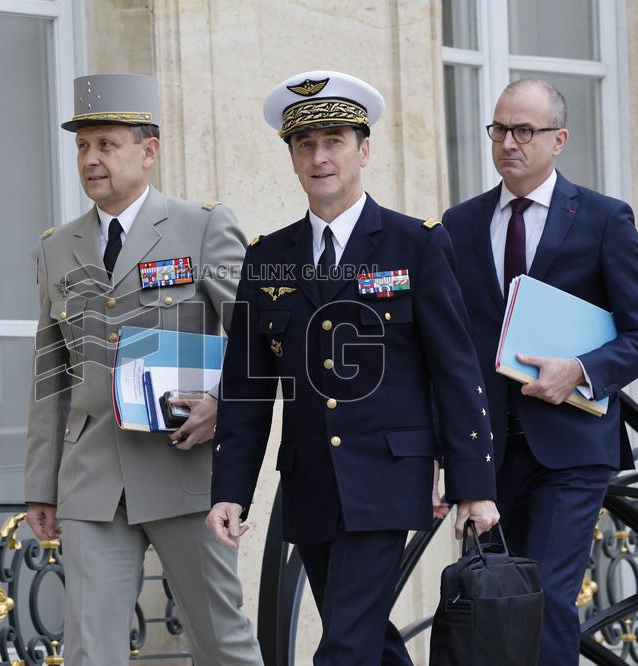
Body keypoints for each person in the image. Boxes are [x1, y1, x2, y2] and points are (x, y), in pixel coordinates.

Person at [206, 70, 499, 665]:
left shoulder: (415, 244)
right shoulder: (268, 257)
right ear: (291, 158)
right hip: (311, 482)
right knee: (366, 637)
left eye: (335, 139)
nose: (320, 157)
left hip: (389, 478)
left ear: (364, 149)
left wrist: (474, 482)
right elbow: (247, 386)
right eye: (305, 144)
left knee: (341, 648)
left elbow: (455, 368)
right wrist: (231, 490)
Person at [24, 73, 262, 666]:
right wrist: (39, 484)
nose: (91, 159)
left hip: (183, 472)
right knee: (88, 651)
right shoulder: (57, 247)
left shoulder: (202, 226)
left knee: (221, 642)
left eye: (106, 144)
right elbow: (50, 372)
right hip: (91, 480)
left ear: (148, 151)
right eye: (83, 146)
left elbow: (258, 340)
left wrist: (224, 406)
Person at [441, 78, 638, 665]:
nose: (508, 143)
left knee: (542, 602)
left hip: (571, 450)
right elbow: (448, 346)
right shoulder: (458, 224)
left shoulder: (602, 219)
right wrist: (445, 454)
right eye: (499, 129)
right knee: (492, 607)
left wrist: (581, 370)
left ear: (559, 139)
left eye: (524, 130)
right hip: (488, 453)